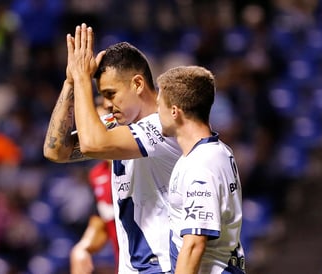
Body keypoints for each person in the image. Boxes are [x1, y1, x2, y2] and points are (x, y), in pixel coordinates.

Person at [43, 23, 181, 273]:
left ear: (138, 84)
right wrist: (71, 82)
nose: (106, 105)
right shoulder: (118, 124)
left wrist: (83, 78)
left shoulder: (165, 124)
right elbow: (56, 151)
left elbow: (92, 143)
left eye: (110, 93)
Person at [156, 65, 246, 274]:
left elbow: (195, 244)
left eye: (158, 104)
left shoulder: (201, 164)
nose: (156, 111)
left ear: (174, 111)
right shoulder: (219, 151)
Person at [70, 160, 118, 274]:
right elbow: (101, 217)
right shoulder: (97, 173)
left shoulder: (145, 163)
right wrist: (83, 247)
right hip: (126, 264)